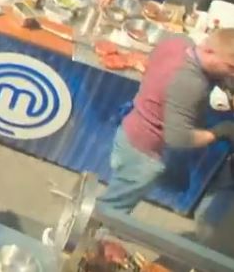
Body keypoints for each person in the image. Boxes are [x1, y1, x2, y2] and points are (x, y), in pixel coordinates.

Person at [96, 29, 234, 213]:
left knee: (119, 189)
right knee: (114, 208)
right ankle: (89, 235)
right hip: (143, 153)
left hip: (129, 130)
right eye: (231, 67)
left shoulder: (177, 41)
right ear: (209, 51)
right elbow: (178, 138)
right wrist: (218, 132)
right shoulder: (191, 84)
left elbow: (156, 55)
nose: (232, 73)